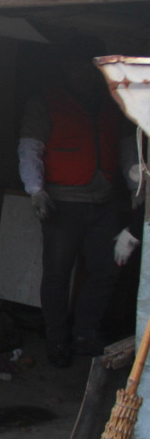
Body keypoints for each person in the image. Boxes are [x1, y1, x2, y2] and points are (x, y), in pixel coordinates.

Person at [18, 37, 136, 368]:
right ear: (66, 69)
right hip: (62, 203)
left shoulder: (113, 102)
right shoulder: (46, 102)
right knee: (57, 275)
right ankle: (56, 338)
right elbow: (30, 146)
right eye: (76, 65)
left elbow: (127, 146)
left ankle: (86, 332)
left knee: (106, 270)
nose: (83, 72)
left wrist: (135, 183)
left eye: (89, 66)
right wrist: (36, 189)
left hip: (104, 203)